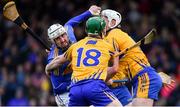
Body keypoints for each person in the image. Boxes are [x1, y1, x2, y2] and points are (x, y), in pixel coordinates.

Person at [45, 16, 122, 106]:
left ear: (86, 30)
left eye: (63, 36)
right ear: (103, 31)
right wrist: (107, 76)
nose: (62, 40)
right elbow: (114, 69)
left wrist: (47, 67)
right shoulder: (108, 47)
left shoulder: (76, 45)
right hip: (92, 87)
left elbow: (58, 60)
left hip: (75, 90)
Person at [101, 9, 162, 106]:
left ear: (112, 22)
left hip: (143, 77)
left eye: (102, 20)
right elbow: (118, 67)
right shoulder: (118, 35)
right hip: (142, 78)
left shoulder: (112, 35)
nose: (99, 23)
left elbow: (103, 63)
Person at [46, 5, 101, 106]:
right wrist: (48, 67)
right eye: (58, 39)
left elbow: (70, 23)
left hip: (79, 87)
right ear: (53, 42)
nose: (63, 40)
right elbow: (58, 86)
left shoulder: (69, 34)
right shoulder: (53, 59)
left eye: (63, 35)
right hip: (65, 93)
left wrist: (89, 12)